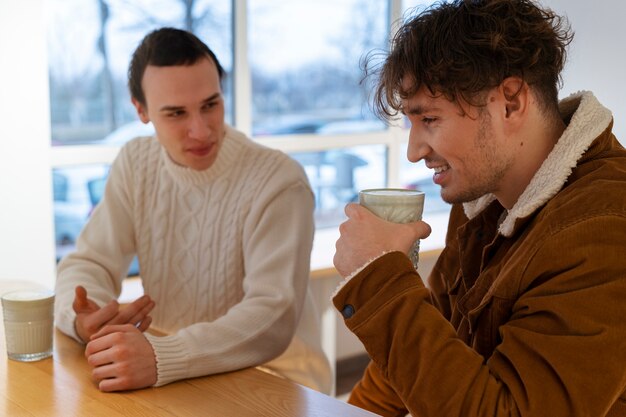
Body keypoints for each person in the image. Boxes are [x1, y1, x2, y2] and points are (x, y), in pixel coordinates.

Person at [331, 1, 626, 416]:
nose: (415, 151)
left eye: (429, 119)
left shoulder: (605, 226)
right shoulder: (482, 201)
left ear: (510, 102)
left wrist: (379, 277)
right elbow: (432, 343)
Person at [54, 27, 332, 394]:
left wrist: (162, 355)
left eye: (210, 105)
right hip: (172, 371)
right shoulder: (136, 162)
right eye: (176, 114)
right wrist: (83, 318)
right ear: (141, 110)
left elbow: (272, 316)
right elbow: (88, 262)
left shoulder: (279, 180)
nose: (200, 131)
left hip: (277, 380)